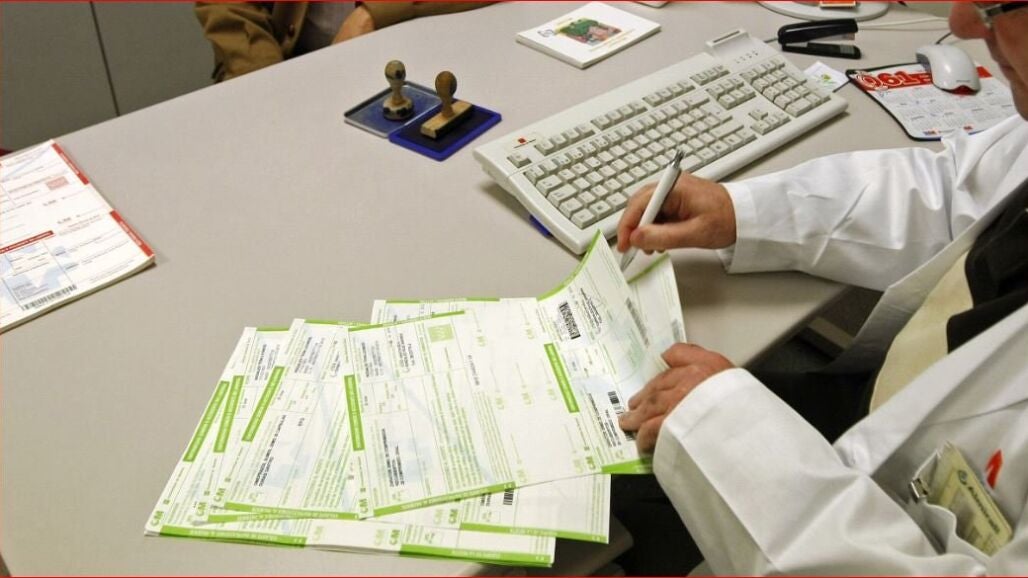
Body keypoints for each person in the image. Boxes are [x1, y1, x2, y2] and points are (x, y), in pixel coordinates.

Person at [616, 2, 1028, 574]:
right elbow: (957, 194)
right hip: (881, 412)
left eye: (1004, 4)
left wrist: (725, 432)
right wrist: (744, 212)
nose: (960, 24)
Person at [194, 2, 491, 82]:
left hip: (420, 67)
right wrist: (267, 79)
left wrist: (373, 13)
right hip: (291, 68)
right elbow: (229, 7)